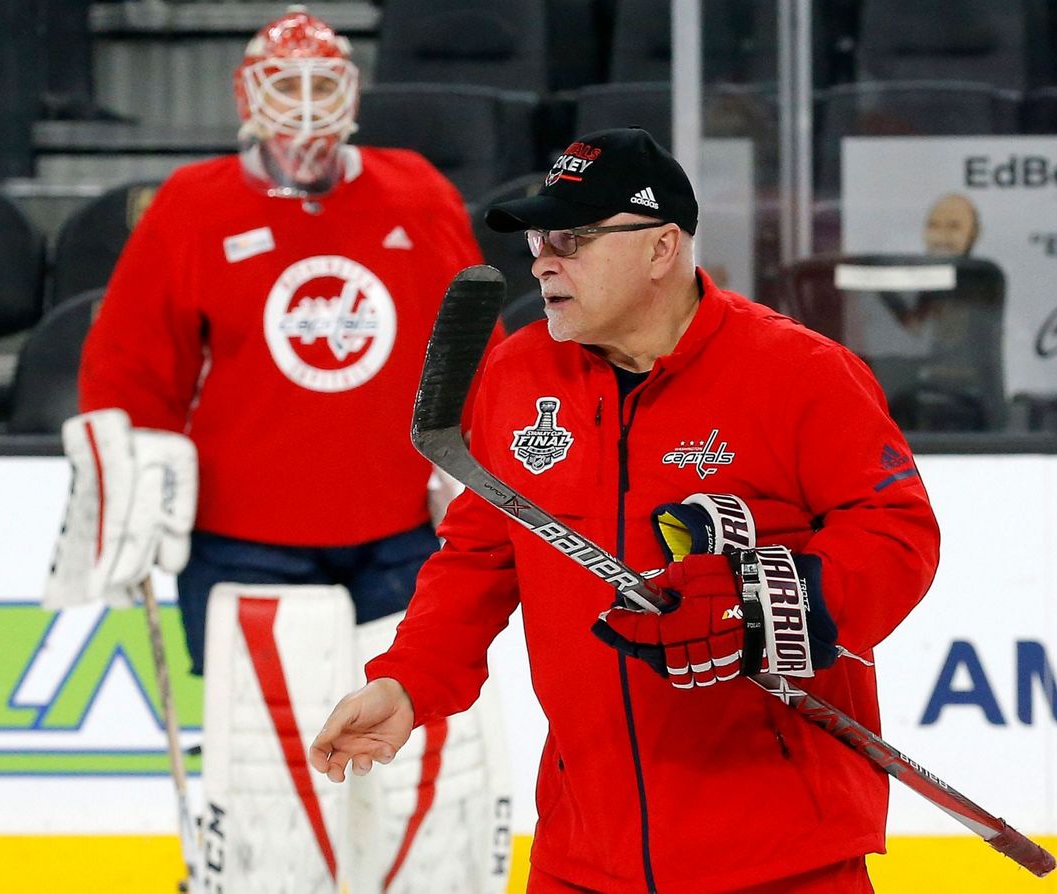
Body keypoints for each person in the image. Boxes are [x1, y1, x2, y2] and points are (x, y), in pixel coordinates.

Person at [310, 127, 940, 893]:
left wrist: (757, 600)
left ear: (662, 247)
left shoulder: (799, 374)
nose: (544, 259)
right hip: (586, 855)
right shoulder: (519, 374)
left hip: (780, 857)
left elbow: (897, 533)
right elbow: (479, 555)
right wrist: (408, 683)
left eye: (571, 239)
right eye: (540, 238)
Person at [76, 7, 483, 674]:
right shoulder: (193, 204)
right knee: (264, 760)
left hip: (402, 531)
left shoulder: (417, 192)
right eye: (282, 85)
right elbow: (132, 367)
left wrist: (476, 468)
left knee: (402, 757)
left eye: (320, 86)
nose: (302, 106)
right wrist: (132, 487)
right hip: (239, 540)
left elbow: (472, 346)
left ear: (350, 91)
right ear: (247, 95)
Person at [923, 192, 980, 257]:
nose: (942, 236)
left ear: (973, 234)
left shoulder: (984, 267)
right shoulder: (911, 266)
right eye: (934, 226)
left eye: (953, 227)